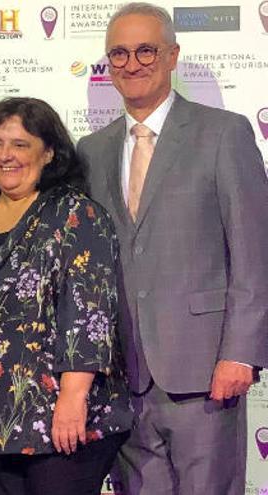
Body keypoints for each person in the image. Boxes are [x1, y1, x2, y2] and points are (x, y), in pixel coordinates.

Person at [77, 3, 268, 494]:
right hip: (123, 377)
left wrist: (241, 355)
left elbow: (254, 253)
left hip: (205, 373)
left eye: (146, 50)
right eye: (118, 53)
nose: (131, 63)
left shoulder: (224, 133)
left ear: (172, 55)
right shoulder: (92, 150)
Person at [0, 97, 133, 495]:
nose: (5, 155)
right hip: (0, 420)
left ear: (49, 152)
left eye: (20, 144)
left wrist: (73, 399)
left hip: (64, 421)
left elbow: (89, 315)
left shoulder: (76, 214)